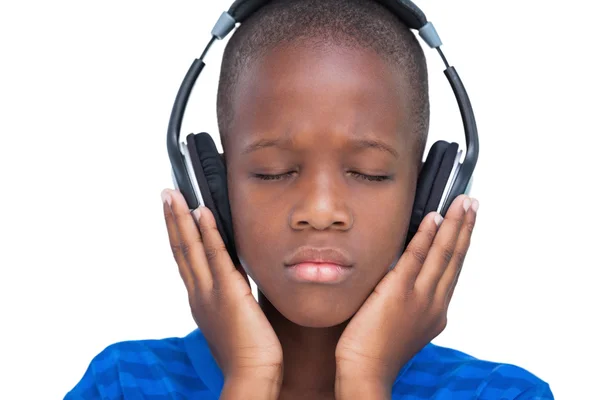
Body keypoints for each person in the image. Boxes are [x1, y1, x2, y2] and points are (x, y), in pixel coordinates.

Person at [65, 0, 553, 399]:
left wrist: (365, 378)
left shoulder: (504, 394)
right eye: (272, 172)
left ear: (431, 197)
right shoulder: (122, 385)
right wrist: (250, 377)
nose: (321, 212)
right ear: (211, 189)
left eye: (369, 172)